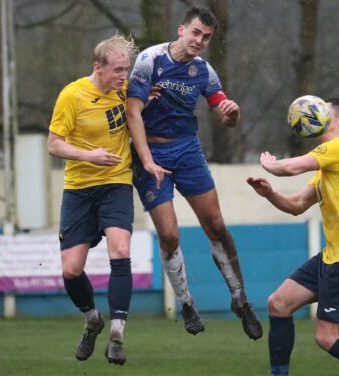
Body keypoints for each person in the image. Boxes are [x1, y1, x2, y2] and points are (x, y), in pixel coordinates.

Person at [126, 6, 263, 340]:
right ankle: (186, 303)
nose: (200, 41)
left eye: (207, 37)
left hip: (186, 150)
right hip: (150, 151)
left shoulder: (204, 71)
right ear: (181, 29)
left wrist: (232, 114)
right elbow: (132, 112)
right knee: (170, 235)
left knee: (216, 226)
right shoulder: (150, 60)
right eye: (196, 33)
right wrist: (145, 160)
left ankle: (240, 299)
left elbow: (224, 114)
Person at [47, 34, 166, 366]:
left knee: (121, 248)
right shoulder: (72, 96)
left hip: (116, 183)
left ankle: (117, 334)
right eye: (117, 70)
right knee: (71, 270)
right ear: (97, 67)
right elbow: (54, 145)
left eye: (126, 70)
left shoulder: (125, 90)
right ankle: (92, 321)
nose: (123, 77)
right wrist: (89, 155)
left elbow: (137, 109)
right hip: (79, 189)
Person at [247, 98, 339, 375]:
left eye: (325, 110)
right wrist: (270, 193)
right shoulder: (328, 165)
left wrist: (270, 164)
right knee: (279, 303)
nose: (317, 113)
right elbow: (296, 205)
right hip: (333, 256)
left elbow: (291, 167)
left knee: (326, 337)